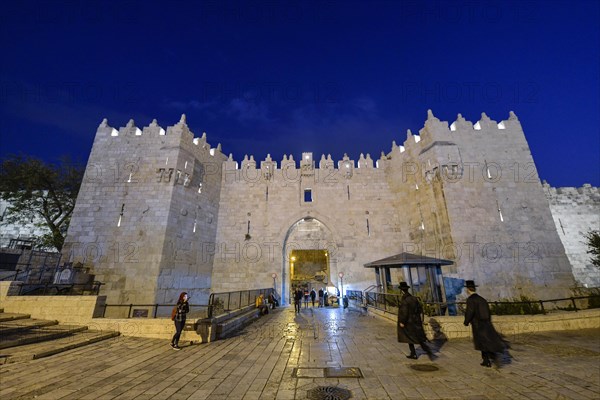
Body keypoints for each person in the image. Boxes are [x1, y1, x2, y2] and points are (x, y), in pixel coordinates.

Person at [463, 280, 507, 367]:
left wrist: (466, 322)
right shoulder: (482, 299)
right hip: (486, 323)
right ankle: (488, 358)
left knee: (482, 342)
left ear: (468, 289)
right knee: (486, 341)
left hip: (478, 324)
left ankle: (487, 359)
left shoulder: (471, 300)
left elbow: (470, 312)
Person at [397, 282, 435, 361]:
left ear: (402, 291)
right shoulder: (414, 298)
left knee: (409, 338)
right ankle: (421, 352)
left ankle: (415, 353)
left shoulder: (405, 300)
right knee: (417, 338)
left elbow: (404, 312)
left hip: (408, 322)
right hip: (415, 321)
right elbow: (420, 309)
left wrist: (402, 322)